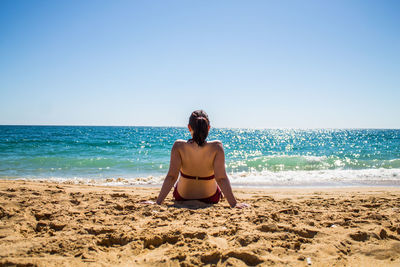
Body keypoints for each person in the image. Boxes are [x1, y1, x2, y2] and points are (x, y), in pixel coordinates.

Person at [155, 110, 249, 208]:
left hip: (183, 196)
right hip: (210, 197)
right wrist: (234, 204)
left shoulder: (178, 146)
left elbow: (171, 177)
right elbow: (221, 179)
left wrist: (157, 203)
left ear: (189, 127)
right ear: (208, 128)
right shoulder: (217, 146)